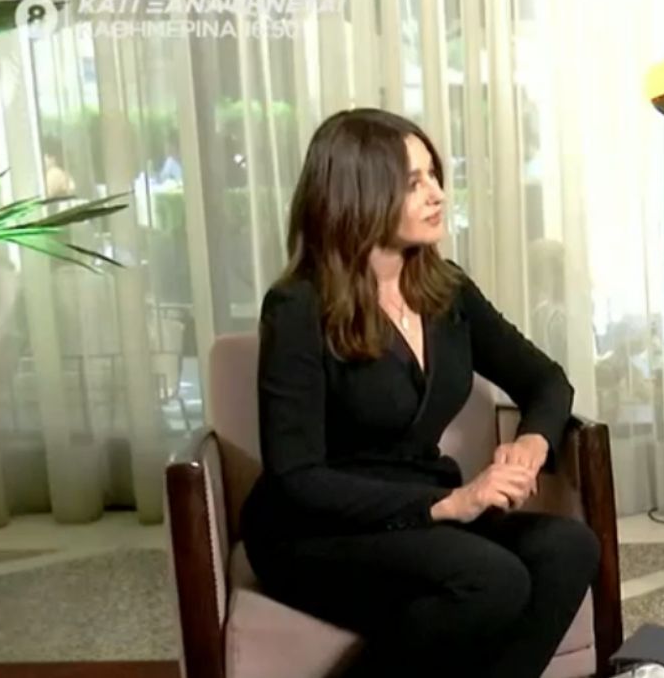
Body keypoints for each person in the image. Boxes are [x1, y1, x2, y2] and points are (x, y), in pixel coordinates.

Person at [242, 107, 598, 678]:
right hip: (317, 529)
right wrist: (447, 505)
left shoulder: (446, 289)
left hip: (422, 505)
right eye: (413, 183)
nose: (437, 194)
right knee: (492, 578)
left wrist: (530, 445)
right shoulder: (297, 306)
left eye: (434, 175)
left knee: (569, 548)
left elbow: (546, 380)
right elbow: (297, 477)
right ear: (359, 194)